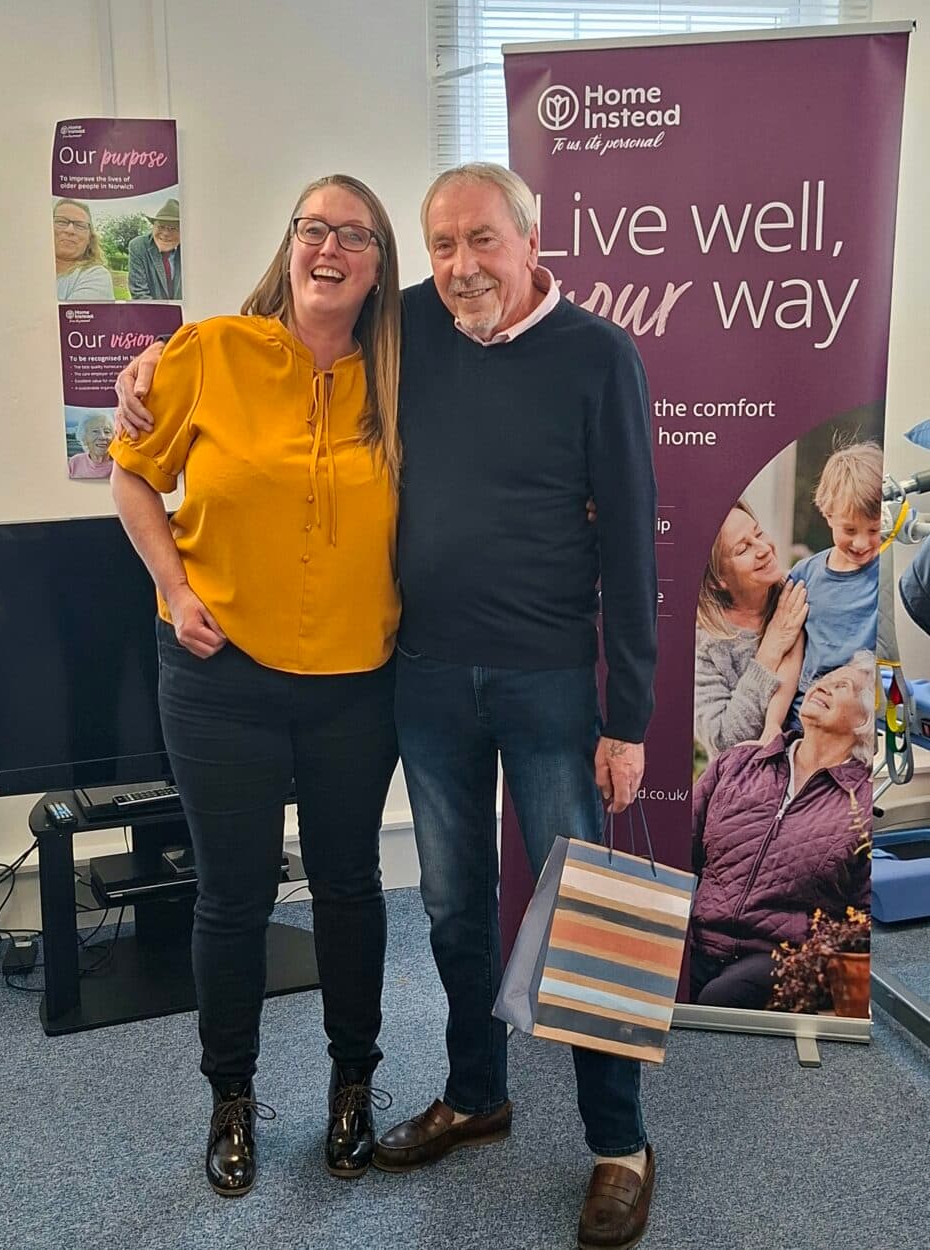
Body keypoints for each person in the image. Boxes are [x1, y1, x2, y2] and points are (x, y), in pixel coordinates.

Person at [116, 163, 660, 1250]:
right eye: (442, 244)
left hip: (549, 677)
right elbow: (294, 313)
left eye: (483, 242)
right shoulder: (404, 331)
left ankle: (619, 1140)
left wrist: (630, 715)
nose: (463, 267)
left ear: (530, 241)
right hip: (423, 671)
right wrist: (150, 365)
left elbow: (633, 535)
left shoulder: (599, 354)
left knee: (585, 911)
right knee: (454, 908)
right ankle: (475, 1090)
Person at [109, 174, 402, 1196]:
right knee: (232, 895)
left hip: (356, 682)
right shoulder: (211, 352)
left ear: (378, 264)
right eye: (313, 227)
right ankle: (230, 1096)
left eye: (353, 235)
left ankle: (352, 1085)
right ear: (289, 245)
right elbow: (131, 472)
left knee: (351, 885)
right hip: (216, 672)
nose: (330, 247)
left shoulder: (407, 374)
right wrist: (173, 586)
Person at [690, 651, 874, 1009]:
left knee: (718, 999)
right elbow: (680, 851)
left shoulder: (862, 802)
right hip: (699, 937)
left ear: (865, 722)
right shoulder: (739, 763)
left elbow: (863, 919)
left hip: (782, 956)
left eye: (844, 686)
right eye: (826, 678)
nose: (824, 685)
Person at [695, 500, 808, 759]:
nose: (763, 549)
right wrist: (770, 649)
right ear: (717, 580)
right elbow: (724, 742)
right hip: (748, 784)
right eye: (743, 548)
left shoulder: (800, 594)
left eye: (758, 533)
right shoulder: (706, 643)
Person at [787, 441, 882, 722]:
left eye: (874, 529)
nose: (862, 542)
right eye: (849, 529)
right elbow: (790, 655)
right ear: (828, 515)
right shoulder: (804, 576)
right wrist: (772, 723)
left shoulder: (888, 574)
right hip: (805, 717)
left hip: (860, 721)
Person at [53, 199, 114, 301]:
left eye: (80, 225)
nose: (69, 230)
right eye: (61, 222)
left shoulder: (96, 276)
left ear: (90, 239)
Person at [128, 198, 182, 300]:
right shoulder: (138, 246)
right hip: (151, 312)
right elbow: (139, 293)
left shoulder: (191, 248)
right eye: (161, 226)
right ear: (153, 226)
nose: (165, 233)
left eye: (173, 228)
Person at [67, 411, 114, 479]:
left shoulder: (120, 466)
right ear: (84, 437)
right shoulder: (75, 462)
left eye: (107, 431)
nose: (103, 437)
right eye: (95, 431)